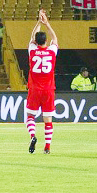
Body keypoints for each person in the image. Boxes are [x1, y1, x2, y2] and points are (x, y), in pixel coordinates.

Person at [26, 9, 59, 154]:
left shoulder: (32, 50)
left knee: (30, 116)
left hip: (34, 89)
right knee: (48, 119)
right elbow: (55, 39)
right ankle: (47, 147)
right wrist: (47, 23)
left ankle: (33, 136)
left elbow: (32, 37)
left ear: (35, 42)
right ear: (46, 41)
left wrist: (38, 22)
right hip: (48, 90)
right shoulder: (52, 51)